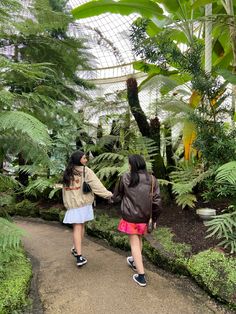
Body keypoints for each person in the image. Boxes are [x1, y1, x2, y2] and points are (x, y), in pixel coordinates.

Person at [112, 154, 162, 287]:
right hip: (145, 217)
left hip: (130, 217)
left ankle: (141, 276)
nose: (128, 166)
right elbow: (157, 202)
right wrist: (155, 218)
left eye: (129, 164)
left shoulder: (125, 177)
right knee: (139, 240)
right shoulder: (152, 179)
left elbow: (117, 196)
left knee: (134, 244)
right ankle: (135, 262)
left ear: (132, 165)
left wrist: (110, 198)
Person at [62, 150, 112, 267]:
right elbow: (96, 185)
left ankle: (75, 249)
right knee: (79, 227)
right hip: (83, 203)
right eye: (84, 158)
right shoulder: (86, 171)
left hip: (72, 205)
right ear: (79, 159)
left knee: (78, 227)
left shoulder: (67, 171)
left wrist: (67, 204)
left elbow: (64, 191)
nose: (86, 160)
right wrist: (108, 195)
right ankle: (79, 257)